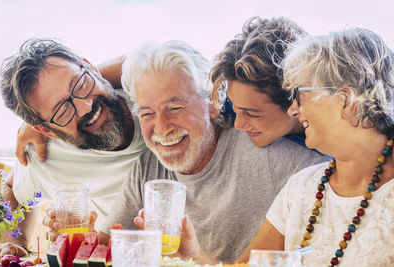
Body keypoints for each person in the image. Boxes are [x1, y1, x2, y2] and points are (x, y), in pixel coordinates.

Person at [97, 40, 328, 262]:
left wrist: (196, 259)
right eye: (147, 113)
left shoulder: (277, 157)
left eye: (175, 108)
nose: (162, 128)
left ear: (214, 103)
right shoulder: (148, 168)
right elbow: (102, 250)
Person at [183, 28, 394, 266]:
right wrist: (193, 256)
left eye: (299, 95)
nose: (293, 110)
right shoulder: (302, 187)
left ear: (345, 101)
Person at [0, 39, 147, 256]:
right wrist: (16, 243)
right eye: (61, 111)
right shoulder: (51, 154)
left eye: (80, 84)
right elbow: (11, 189)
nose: (85, 107)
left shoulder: (149, 95)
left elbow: (155, 59)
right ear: (46, 130)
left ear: (92, 68)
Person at [209, 16, 306, 148]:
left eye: (252, 115)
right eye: (234, 106)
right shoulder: (236, 103)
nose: (238, 125)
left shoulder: (331, 144)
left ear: (297, 103)